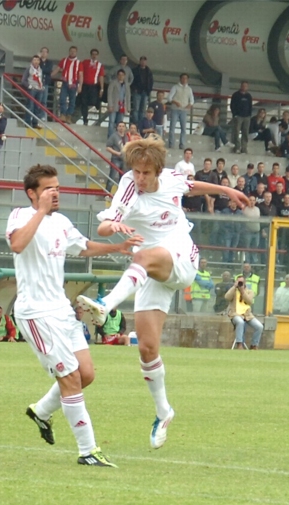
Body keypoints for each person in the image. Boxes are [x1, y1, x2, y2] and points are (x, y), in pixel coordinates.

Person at [77, 137, 249, 448]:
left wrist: (226, 190)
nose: (140, 178)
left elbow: (192, 186)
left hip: (181, 255)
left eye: (146, 172)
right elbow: (104, 226)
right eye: (136, 171)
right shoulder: (128, 187)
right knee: (147, 348)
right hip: (152, 271)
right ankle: (164, 411)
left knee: (141, 255)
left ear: (157, 170)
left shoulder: (170, 178)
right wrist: (114, 226)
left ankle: (105, 305)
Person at [8, 164, 141, 466]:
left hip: (61, 310)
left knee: (86, 375)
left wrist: (118, 247)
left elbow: (82, 247)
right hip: (36, 314)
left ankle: (41, 411)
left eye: (57, 187)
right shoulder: (21, 216)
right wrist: (39, 212)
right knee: (69, 378)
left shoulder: (62, 222)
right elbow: (17, 244)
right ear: (32, 193)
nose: (56, 193)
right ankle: (88, 451)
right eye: (48, 189)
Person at [225, 276, 263, 349]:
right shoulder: (233, 291)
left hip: (247, 315)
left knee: (259, 326)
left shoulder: (250, 291)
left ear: (245, 283)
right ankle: (239, 343)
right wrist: (234, 287)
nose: (240, 284)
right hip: (235, 314)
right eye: (238, 282)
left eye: (241, 282)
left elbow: (249, 301)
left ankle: (254, 345)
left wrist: (242, 291)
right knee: (240, 322)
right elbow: (227, 297)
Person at [50, 45, 79, 123]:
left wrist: (81, 85)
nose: (72, 52)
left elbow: (81, 74)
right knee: (62, 98)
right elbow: (58, 69)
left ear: (76, 52)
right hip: (65, 83)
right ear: (69, 52)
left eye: (74, 51)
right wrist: (50, 75)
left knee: (72, 101)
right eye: (71, 51)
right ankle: (63, 114)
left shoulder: (79, 63)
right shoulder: (64, 60)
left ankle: (69, 116)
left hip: (74, 83)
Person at [76, 48, 104, 126]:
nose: (94, 56)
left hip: (93, 86)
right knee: (84, 103)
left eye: (96, 54)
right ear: (91, 55)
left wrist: (102, 88)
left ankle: (97, 104)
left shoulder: (100, 65)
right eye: (93, 54)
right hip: (85, 86)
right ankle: (85, 119)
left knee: (94, 100)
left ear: (98, 55)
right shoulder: (85, 62)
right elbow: (80, 71)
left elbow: (101, 77)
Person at [167, 73, 194, 150]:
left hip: (184, 110)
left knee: (184, 128)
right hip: (175, 109)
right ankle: (171, 144)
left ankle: (182, 144)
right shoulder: (175, 87)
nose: (184, 80)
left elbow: (192, 100)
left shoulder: (189, 89)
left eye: (186, 78)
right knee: (172, 127)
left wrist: (190, 104)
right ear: (180, 79)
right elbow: (169, 98)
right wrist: (175, 102)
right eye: (183, 78)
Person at [106, 69, 129, 139]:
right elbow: (109, 94)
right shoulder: (113, 83)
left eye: (122, 75)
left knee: (120, 123)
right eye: (119, 75)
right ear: (117, 75)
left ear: (124, 76)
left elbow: (128, 96)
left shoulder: (126, 85)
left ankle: (118, 137)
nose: (121, 76)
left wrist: (128, 107)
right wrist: (110, 105)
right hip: (114, 105)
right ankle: (110, 137)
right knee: (112, 122)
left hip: (122, 106)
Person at [21, 54, 44, 128]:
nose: (36, 62)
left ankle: (35, 123)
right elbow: (23, 80)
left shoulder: (40, 69)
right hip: (32, 89)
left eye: (37, 60)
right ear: (32, 61)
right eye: (34, 60)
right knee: (30, 106)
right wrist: (29, 86)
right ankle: (27, 122)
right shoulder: (29, 69)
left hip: (39, 89)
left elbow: (41, 79)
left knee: (37, 107)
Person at [230, 81, 253, 154]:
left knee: (245, 133)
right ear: (241, 86)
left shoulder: (249, 96)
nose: (244, 87)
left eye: (246, 86)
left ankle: (244, 148)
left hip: (247, 117)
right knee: (236, 131)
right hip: (238, 116)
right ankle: (237, 147)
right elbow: (232, 105)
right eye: (243, 86)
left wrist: (249, 114)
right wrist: (235, 114)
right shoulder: (236, 95)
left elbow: (250, 106)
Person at [130, 56, 153, 125]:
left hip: (145, 92)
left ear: (146, 62)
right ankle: (136, 123)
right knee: (136, 109)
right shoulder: (135, 70)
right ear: (140, 62)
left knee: (143, 110)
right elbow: (131, 80)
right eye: (142, 61)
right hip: (137, 91)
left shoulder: (148, 71)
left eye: (144, 61)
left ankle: (141, 124)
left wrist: (149, 90)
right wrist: (134, 89)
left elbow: (151, 82)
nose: (143, 62)